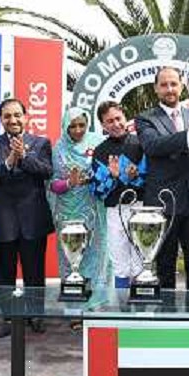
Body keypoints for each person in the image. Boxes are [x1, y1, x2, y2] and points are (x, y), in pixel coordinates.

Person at [0, 98, 55, 338]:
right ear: (1, 120)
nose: (13, 120)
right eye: (7, 116)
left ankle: (36, 315)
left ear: (25, 116)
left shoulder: (41, 143)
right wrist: (8, 163)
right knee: (4, 273)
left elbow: (47, 171)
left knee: (34, 272)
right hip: (3, 219)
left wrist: (25, 158)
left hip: (33, 219)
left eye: (17, 115)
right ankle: (7, 317)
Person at [136, 67, 189, 290]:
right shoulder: (145, 119)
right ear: (156, 89)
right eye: (164, 85)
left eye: (173, 83)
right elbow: (154, 147)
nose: (169, 89)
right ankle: (167, 319)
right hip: (164, 203)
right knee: (164, 267)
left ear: (182, 86)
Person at [49, 107, 111, 300]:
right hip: (68, 213)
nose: (77, 130)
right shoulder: (58, 149)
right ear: (65, 126)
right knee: (71, 257)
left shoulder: (98, 143)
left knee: (96, 255)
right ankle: (75, 307)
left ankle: (95, 303)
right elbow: (52, 185)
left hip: (94, 209)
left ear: (88, 124)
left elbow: (108, 175)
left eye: (81, 125)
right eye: (72, 126)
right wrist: (70, 183)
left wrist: (95, 178)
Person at [91, 101, 147, 290]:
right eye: (109, 121)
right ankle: (122, 307)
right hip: (115, 209)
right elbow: (98, 190)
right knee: (119, 259)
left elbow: (150, 179)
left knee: (140, 256)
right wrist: (113, 177)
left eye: (118, 118)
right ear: (103, 125)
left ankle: (140, 309)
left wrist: (135, 176)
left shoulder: (141, 144)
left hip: (140, 207)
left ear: (125, 118)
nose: (115, 124)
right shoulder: (100, 151)